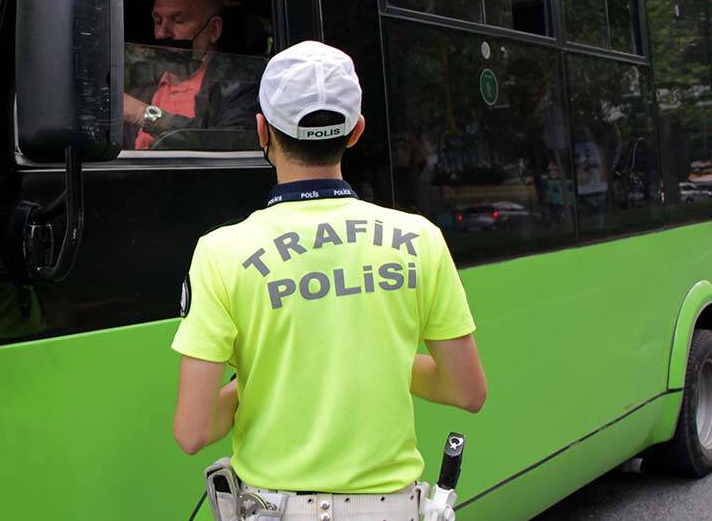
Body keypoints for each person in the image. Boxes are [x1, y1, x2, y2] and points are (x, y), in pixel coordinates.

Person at [171, 41, 488, 520]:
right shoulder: (420, 238)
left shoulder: (221, 252)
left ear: (262, 130)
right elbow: (467, 392)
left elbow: (192, 431)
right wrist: (374, 355)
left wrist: (266, 377)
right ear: (356, 131)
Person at [123, 0, 259, 150]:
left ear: (213, 29)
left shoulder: (239, 88)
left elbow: (231, 143)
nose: (161, 33)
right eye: (157, 21)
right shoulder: (141, 90)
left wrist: (144, 115)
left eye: (178, 20)